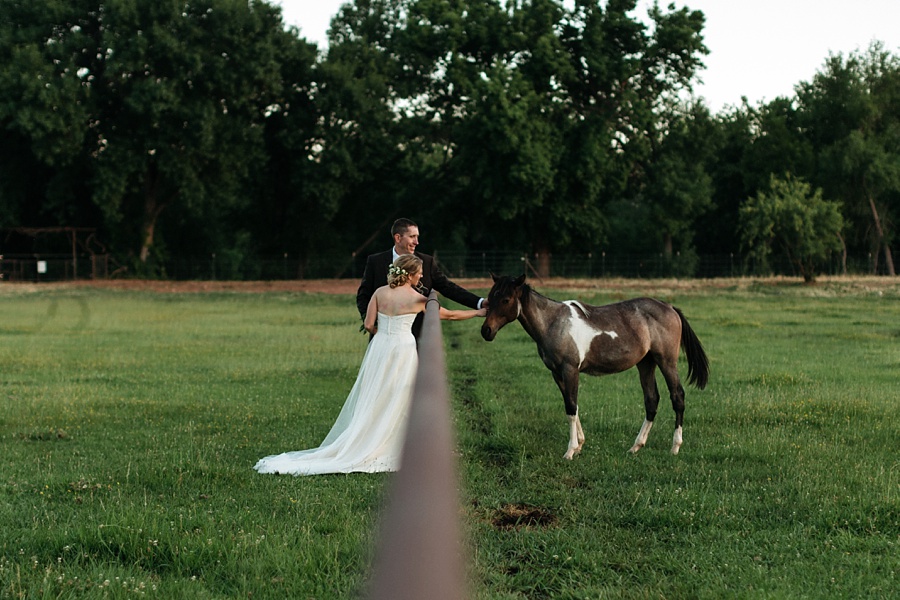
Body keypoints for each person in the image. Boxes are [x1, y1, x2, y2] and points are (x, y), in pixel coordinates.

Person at [254, 254, 486, 476]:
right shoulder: (418, 299)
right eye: (420, 273)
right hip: (403, 350)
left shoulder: (379, 292)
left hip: (380, 347)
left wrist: (384, 334)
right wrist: (478, 314)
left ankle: (372, 436)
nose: (422, 277)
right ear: (410, 274)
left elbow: (368, 324)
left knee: (377, 393)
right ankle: (396, 444)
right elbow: (451, 315)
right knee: (400, 394)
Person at [356, 218, 485, 339]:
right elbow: (363, 295)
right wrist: (374, 324)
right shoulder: (375, 261)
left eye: (417, 237)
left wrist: (479, 303)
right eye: (412, 237)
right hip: (382, 338)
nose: (417, 242)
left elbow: (448, 288)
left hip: (417, 337)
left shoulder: (426, 262)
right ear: (398, 238)